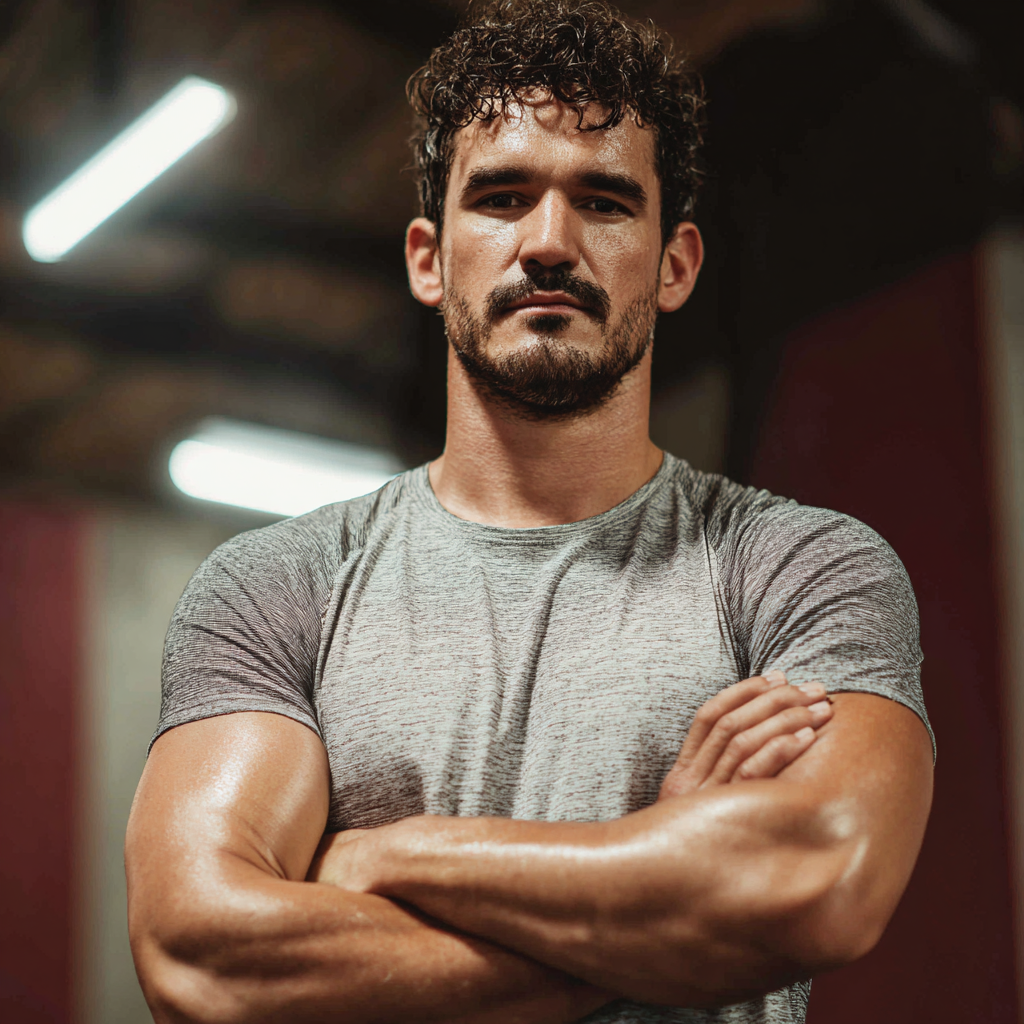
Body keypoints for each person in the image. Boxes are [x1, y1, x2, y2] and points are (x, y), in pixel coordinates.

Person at [125, 2, 934, 1022]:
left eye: (602, 202)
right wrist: (660, 873)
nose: (549, 243)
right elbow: (205, 960)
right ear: (429, 257)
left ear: (674, 263)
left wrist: (392, 852)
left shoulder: (797, 567)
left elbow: (818, 878)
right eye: (502, 197)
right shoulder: (276, 587)